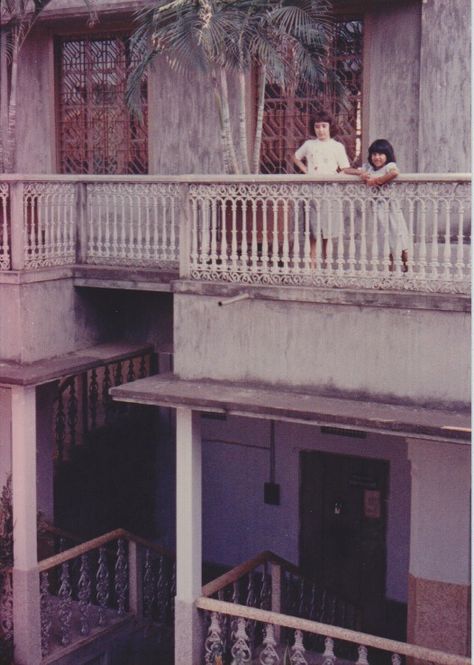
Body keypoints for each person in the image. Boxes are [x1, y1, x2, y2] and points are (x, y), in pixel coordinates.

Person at [293, 113, 351, 265]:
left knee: (328, 229)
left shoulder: (337, 146)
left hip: (330, 191)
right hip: (313, 189)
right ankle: (312, 266)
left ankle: (327, 266)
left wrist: (337, 176)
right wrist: (305, 170)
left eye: (324, 126)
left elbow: (345, 167)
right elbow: (295, 157)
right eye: (317, 126)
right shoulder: (309, 145)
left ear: (330, 127)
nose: (321, 130)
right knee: (313, 229)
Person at [347, 139, 409, 272]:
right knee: (386, 240)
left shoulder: (389, 166)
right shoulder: (369, 168)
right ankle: (391, 270)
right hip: (377, 209)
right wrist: (361, 174)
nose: (377, 157)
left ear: (387, 155)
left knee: (399, 236)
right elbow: (346, 170)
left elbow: (395, 173)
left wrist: (376, 181)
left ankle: (408, 267)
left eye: (381, 154)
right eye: (374, 154)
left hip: (391, 208)